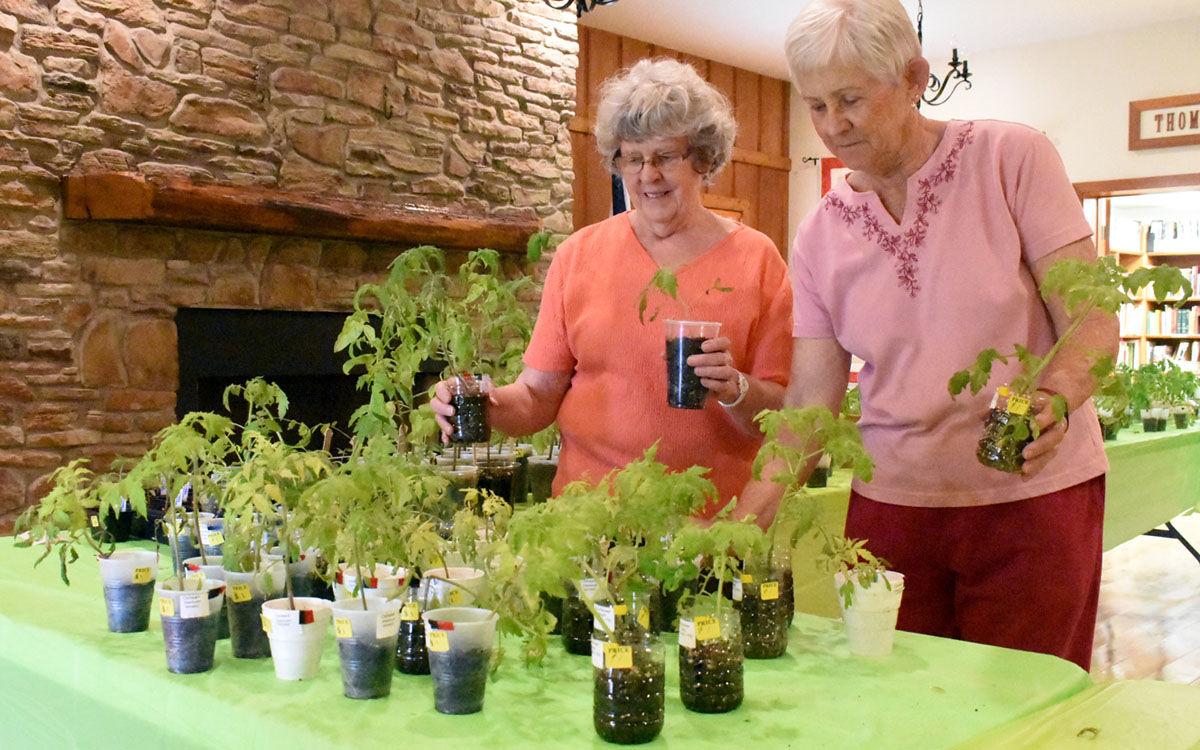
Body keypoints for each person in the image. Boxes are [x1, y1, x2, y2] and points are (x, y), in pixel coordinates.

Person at [755, 0, 1117, 670]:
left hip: (1028, 501)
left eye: (851, 99)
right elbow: (810, 401)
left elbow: (1092, 320)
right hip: (890, 514)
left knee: (1022, 708)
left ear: (916, 77)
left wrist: (1058, 397)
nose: (834, 125)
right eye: (816, 106)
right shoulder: (820, 235)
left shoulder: (1012, 157)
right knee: (897, 709)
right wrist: (746, 514)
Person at [428, 58, 793, 515]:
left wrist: (735, 387)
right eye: (632, 159)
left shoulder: (757, 260)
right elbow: (538, 398)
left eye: (663, 157)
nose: (647, 175)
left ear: (701, 158)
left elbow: (785, 416)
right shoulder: (578, 255)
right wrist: (483, 400)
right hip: (586, 522)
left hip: (711, 530)